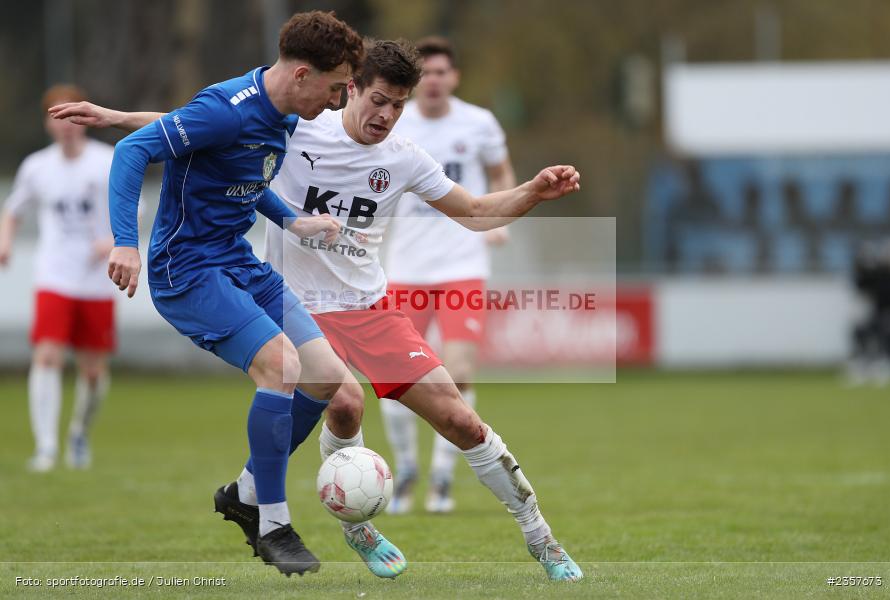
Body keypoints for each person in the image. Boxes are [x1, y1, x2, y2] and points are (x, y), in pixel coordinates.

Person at [50, 39, 584, 582]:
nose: (387, 115)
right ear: (350, 88)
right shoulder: (303, 122)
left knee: (460, 420)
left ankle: (541, 536)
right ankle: (355, 528)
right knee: (345, 402)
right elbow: (196, 126)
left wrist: (534, 192)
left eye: (399, 105)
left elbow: (473, 213)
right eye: (379, 100)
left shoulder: (405, 157)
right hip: (293, 299)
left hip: (368, 309)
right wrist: (116, 117)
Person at [57, 11, 372, 578]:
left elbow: (242, 170)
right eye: (335, 88)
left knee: (327, 378)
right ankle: (272, 522)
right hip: (187, 270)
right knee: (281, 367)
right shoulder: (229, 106)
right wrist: (126, 243)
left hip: (237, 262)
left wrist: (291, 220)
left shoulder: (283, 112)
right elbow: (134, 152)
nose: (337, 101)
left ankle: (246, 491)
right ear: (302, 74)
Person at [380, 36, 516, 515]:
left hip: (463, 267)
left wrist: (497, 221)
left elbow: (501, 176)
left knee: (456, 373)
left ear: (453, 77)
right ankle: (405, 470)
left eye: (442, 72)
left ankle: (441, 476)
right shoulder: (394, 122)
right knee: (397, 377)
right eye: (427, 73)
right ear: (417, 81)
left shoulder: (478, 123)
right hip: (405, 268)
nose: (434, 81)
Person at [0, 84, 116, 472]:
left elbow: (133, 205)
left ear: (84, 119)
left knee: (94, 371)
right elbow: (13, 209)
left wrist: (113, 239)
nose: (67, 126)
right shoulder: (37, 166)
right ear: (49, 124)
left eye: (72, 118)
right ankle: (46, 448)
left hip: (98, 279)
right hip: (55, 275)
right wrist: (6, 242)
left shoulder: (108, 160)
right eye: (58, 119)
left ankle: (79, 432)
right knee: (47, 355)